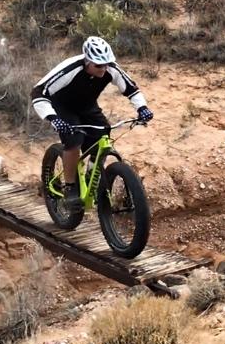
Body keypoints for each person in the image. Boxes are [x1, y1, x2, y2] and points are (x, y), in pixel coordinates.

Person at [31, 36, 153, 217]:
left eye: (106, 64)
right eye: (98, 65)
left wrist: (142, 108)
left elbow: (131, 89)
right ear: (87, 61)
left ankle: (90, 175)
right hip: (62, 108)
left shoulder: (111, 68)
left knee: (103, 135)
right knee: (74, 140)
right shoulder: (70, 69)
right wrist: (53, 118)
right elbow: (38, 92)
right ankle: (71, 187)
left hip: (87, 107)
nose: (103, 69)